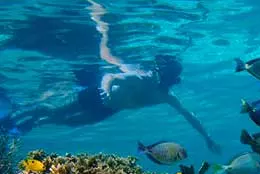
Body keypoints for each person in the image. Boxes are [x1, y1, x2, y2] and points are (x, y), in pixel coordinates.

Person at [4, 1, 221, 153]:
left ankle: (29, 123)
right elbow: (110, 77)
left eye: (163, 75)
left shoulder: (165, 96)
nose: (157, 76)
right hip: (98, 96)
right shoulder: (142, 78)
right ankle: (19, 112)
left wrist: (207, 137)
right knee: (58, 111)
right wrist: (105, 90)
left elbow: (188, 115)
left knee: (70, 123)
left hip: (108, 109)